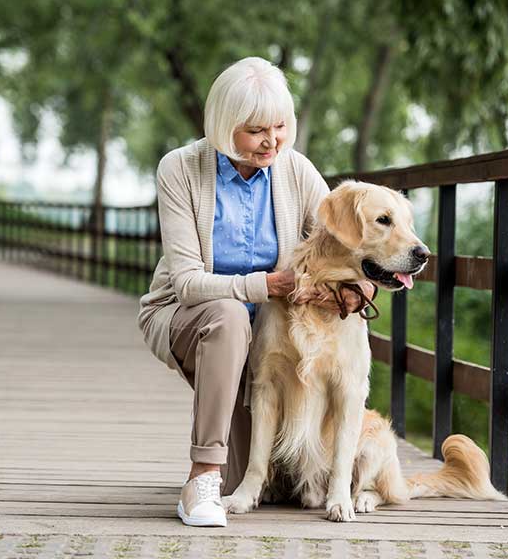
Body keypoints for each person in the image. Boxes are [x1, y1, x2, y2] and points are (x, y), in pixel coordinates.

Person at [137, 56, 375, 527]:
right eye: (255, 131)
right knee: (227, 316)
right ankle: (200, 478)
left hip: (270, 335)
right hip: (192, 317)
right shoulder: (180, 170)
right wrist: (266, 286)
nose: (272, 141)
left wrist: (360, 287)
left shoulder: (297, 170)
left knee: (265, 486)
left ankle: (237, 476)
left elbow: (340, 243)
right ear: (225, 126)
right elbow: (186, 283)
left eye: (280, 126)